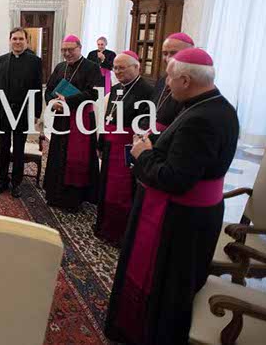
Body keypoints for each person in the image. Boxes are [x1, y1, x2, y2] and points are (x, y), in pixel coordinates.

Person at [105, 48, 239, 345]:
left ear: (186, 80)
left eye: (169, 77)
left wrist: (144, 155)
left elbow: (174, 179)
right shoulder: (217, 106)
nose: (165, 83)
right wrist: (157, 144)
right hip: (192, 214)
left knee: (167, 287)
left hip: (179, 218)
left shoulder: (200, 119)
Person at [94, 51, 153, 245]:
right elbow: (107, 118)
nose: (117, 72)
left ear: (136, 67)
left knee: (123, 191)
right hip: (110, 146)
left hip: (128, 148)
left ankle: (120, 234)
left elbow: (145, 123)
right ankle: (104, 227)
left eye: (122, 68)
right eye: (115, 68)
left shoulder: (147, 91)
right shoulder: (117, 88)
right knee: (106, 187)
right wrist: (101, 143)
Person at [43, 34, 102, 211]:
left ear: (80, 48)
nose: (67, 53)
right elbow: (49, 89)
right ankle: (55, 195)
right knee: (59, 154)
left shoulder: (92, 67)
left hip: (81, 120)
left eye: (70, 50)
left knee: (76, 159)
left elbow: (94, 93)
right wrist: (53, 103)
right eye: (64, 50)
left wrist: (67, 101)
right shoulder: (60, 67)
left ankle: (73, 199)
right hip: (61, 118)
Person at [0, 27, 43, 198]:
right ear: (10, 40)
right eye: (14, 39)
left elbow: (37, 88)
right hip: (4, 111)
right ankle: (2, 181)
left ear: (26, 41)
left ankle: (16, 183)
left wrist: (36, 113)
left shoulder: (35, 61)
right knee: (3, 148)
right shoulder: (2, 60)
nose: (17, 42)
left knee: (19, 149)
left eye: (21, 39)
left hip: (23, 112)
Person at [142, 32, 195, 137]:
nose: (168, 58)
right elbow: (149, 110)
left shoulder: (194, 85)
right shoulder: (163, 80)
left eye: (174, 53)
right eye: (165, 53)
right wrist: (142, 130)